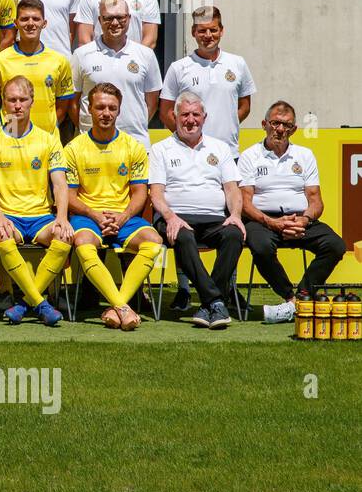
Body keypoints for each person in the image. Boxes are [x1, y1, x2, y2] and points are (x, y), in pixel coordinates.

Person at [63, 83, 164, 330]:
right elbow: (69, 196)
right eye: (100, 107)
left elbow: (140, 193)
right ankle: (122, 306)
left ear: (119, 111)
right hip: (87, 215)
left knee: (154, 241)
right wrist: (94, 214)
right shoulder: (74, 148)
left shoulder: (133, 147)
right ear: (89, 110)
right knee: (83, 243)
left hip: (124, 216)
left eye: (112, 108)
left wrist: (122, 216)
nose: (106, 113)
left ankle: (117, 305)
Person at [239, 100, 345, 324]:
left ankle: (302, 297)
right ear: (264, 124)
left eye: (286, 125)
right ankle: (290, 297)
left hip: (299, 218)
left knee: (336, 245)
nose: (280, 129)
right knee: (260, 246)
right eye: (275, 123)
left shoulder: (305, 155)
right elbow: (245, 203)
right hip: (262, 219)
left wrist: (304, 220)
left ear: (294, 129)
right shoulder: (250, 156)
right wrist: (273, 223)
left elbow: (316, 201)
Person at [0, 76, 71, 326]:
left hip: (40, 217)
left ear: (32, 101)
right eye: (11, 100)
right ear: (3, 104)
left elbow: (60, 183)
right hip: (9, 216)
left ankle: (26, 302)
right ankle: (40, 303)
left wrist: (61, 217)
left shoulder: (49, 139)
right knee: (1, 235)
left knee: (63, 235)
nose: (17, 105)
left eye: (23, 99)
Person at [147, 91, 245, 329]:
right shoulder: (160, 149)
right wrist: (170, 217)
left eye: (195, 114)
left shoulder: (220, 148)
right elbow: (156, 194)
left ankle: (208, 304)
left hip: (214, 219)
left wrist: (235, 216)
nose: (190, 120)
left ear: (204, 117)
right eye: (185, 115)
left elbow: (232, 190)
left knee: (234, 234)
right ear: (174, 116)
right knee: (183, 236)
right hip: (175, 218)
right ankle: (216, 301)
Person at [160, 6, 255, 153]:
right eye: (202, 30)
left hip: (229, 152)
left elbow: (245, 107)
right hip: (191, 152)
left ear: (221, 30)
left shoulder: (238, 63)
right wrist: (187, 137)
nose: (208, 35)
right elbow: (166, 112)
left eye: (213, 30)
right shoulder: (178, 68)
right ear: (193, 32)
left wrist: (227, 125)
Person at [71, 0, 161, 147]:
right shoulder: (81, 55)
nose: (114, 23)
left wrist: (134, 127)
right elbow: (73, 103)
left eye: (120, 17)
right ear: (99, 20)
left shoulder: (145, 55)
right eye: (108, 18)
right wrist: (89, 130)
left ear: (129, 18)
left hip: (135, 144)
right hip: (92, 144)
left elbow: (152, 103)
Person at [0, 0, 75, 135]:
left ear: (44, 23)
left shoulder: (59, 61)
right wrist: (5, 134)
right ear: (16, 23)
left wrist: (45, 131)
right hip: (11, 139)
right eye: (24, 19)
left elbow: (63, 105)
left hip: (46, 142)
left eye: (36, 19)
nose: (30, 24)